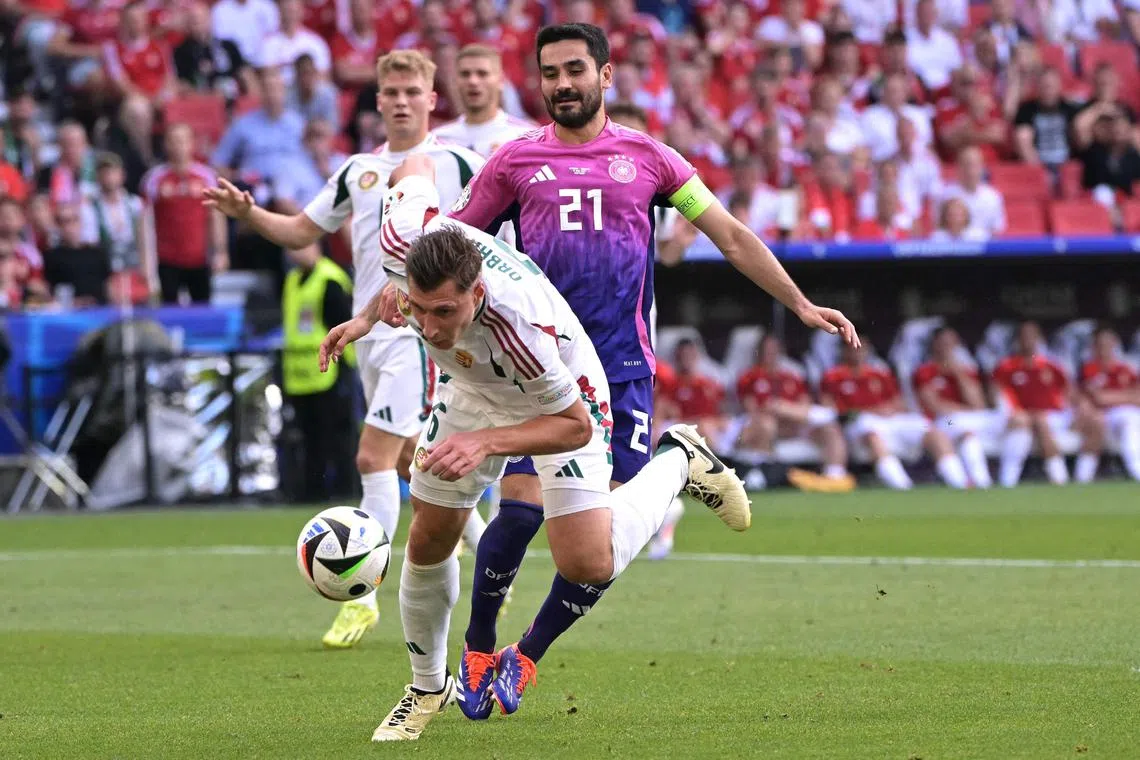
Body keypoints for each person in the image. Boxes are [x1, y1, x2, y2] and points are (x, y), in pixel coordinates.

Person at [436, 22, 857, 720]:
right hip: (535, 367)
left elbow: (729, 233)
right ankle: (478, 651)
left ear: (606, 77)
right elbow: (452, 243)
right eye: (550, 73)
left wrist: (801, 302)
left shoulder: (653, 160)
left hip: (621, 372)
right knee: (513, 516)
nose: (563, 84)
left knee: (591, 556)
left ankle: (527, 655)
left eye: (576, 69)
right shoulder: (513, 163)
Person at [318, 155, 754, 741]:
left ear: (476, 294)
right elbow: (415, 167)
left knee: (587, 562)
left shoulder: (517, 327)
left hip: (561, 394)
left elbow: (572, 425)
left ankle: (678, 458)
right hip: (471, 388)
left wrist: (485, 443)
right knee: (429, 533)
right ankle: (425, 688)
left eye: (444, 312)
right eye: (419, 310)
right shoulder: (405, 235)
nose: (429, 327)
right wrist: (369, 317)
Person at [203, 50, 485, 649]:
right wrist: (249, 212)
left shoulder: (460, 162)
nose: (402, 100)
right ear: (377, 100)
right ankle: (492, 561)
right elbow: (303, 231)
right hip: (368, 337)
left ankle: (362, 594)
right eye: (391, 90)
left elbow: (498, 230)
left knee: (372, 459)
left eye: (413, 89)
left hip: (417, 331)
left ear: (433, 99)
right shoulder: (356, 169)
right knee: (416, 461)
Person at [821, 341, 969, 490]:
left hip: (892, 420)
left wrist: (887, 410)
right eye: (852, 348)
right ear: (843, 351)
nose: (858, 352)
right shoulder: (832, 376)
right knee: (871, 433)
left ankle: (959, 483)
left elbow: (899, 402)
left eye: (862, 348)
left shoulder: (880, 373)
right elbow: (831, 410)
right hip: (861, 422)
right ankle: (902, 486)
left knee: (931, 430)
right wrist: (872, 410)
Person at [280, 243, 356, 501]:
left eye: (302, 245)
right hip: (299, 373)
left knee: (335, 435)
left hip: (330, 370)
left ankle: (345, 490)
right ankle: (311, 491)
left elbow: (342, 325)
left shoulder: (331, 279)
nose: (294, 251)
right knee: (308, 437)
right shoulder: (291, 279)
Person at [911, 325, 1030, 488]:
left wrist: (958, 374)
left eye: (951, 343)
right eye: (943, 342)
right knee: (966, 432)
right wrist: (967, 411)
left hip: (972, 418)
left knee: (1019, 420)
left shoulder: (965, 370)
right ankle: (980, 483)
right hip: (945, 422)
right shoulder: (925, 372)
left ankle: (1008, 481)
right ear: (935, 344)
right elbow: (933, 405)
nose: (948, 347)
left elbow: (978, 404)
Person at [990, 321, 1105, 486]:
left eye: (1032, 336)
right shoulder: (1006, 366)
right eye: (1024, 336)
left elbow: (1070, 393)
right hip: (1023, 418)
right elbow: (996, 396)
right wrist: (1011, 412)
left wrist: (1082, 406)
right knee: (1040, 420)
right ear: (1018, 340)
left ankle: (1083, 479)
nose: (1028, 340)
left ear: (1039, 339)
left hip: (1057, 417)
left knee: (1097, 420)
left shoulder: (1052, 365)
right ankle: (1059, 478)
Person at [432, 44, 535, 159]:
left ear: (501, 80)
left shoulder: (526, 136)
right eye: (465, 74)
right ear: (456, 81)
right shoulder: (438, 139)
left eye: (482, 74)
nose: (473, 81)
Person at [1080, 325, 1140, 482]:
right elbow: (1098, 399)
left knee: (1130, 420)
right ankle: (1136, 470)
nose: (1103, 348)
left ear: (1114, 345)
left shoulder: (1126, 368)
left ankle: (1136, 469)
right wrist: (1126, 396)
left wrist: (1114, 397)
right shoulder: (1089, 368)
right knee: (1125, 420)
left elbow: (1138, 398)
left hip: (1127, 413)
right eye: (1100, 345)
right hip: (1102, 415)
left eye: (1107, 344)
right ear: (1094, 346)